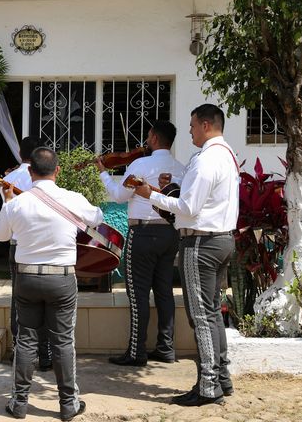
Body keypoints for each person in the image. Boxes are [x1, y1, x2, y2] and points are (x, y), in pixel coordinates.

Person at [134, 104, 239, 406]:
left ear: (206, 125)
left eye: (193, 125)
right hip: (220, 240)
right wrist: (168, 192)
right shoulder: (227, 156)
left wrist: (151, 195)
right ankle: (221, 378)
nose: (190, 130)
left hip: (201, 244)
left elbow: (189, 209)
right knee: (213, 312)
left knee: (201, 316)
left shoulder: (206, 160)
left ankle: (208, 386)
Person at [0, 147, 104, 421]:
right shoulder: (72, 198)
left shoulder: (18, 203)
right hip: (62, 277)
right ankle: (68, 404)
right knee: (63, 341)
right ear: (58, 171)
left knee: (26, 340)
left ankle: (19, 404)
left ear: (29, 173)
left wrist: (7, 202)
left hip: (27, 277)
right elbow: (98, 218)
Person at [96, 121, 185, 366]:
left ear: (154, 138)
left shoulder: (140, 164)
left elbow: (118, 195)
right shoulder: (182, 168)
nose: (145, 141)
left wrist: (103, 172)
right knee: (165, 291)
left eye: (148, 136)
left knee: (138, 294)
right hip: (169, 234)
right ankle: (166, 348)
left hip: (143, 233)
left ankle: (136, 352)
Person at [3, 136, 52, 372]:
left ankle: (19, 350)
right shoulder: (51, 180)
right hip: (46, 244)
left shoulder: (8, 179)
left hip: (18, 244)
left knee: (20, 299)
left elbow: (4, 220)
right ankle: (46, 354)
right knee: (48, 302)